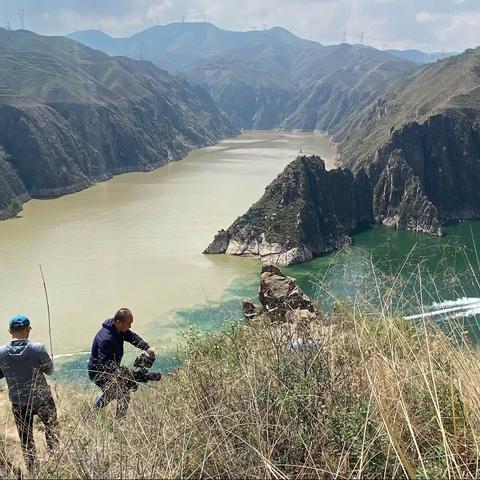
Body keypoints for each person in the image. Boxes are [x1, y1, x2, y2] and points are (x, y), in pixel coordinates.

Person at [0, 315, 58, 471]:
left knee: (26, 438)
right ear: (27, 329)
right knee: (51, 428)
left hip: (19, 402)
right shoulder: (38, 348)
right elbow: (49, 370)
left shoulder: (1, 353)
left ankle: (33, 469)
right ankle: (56, 458)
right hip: (42, 398)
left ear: (9, 331)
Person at [88, 308, 155, 419]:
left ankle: (91, 415)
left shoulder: (118, 329)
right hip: (98, 372)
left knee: (112, 393)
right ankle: (119, 423)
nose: (130, 326)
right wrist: (122, 373)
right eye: (129, 323)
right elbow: (105, 363)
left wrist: (147, 348)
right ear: (119, 322)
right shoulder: (106, 339)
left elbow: (132, 337)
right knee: (122, 393)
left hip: (111, 369)